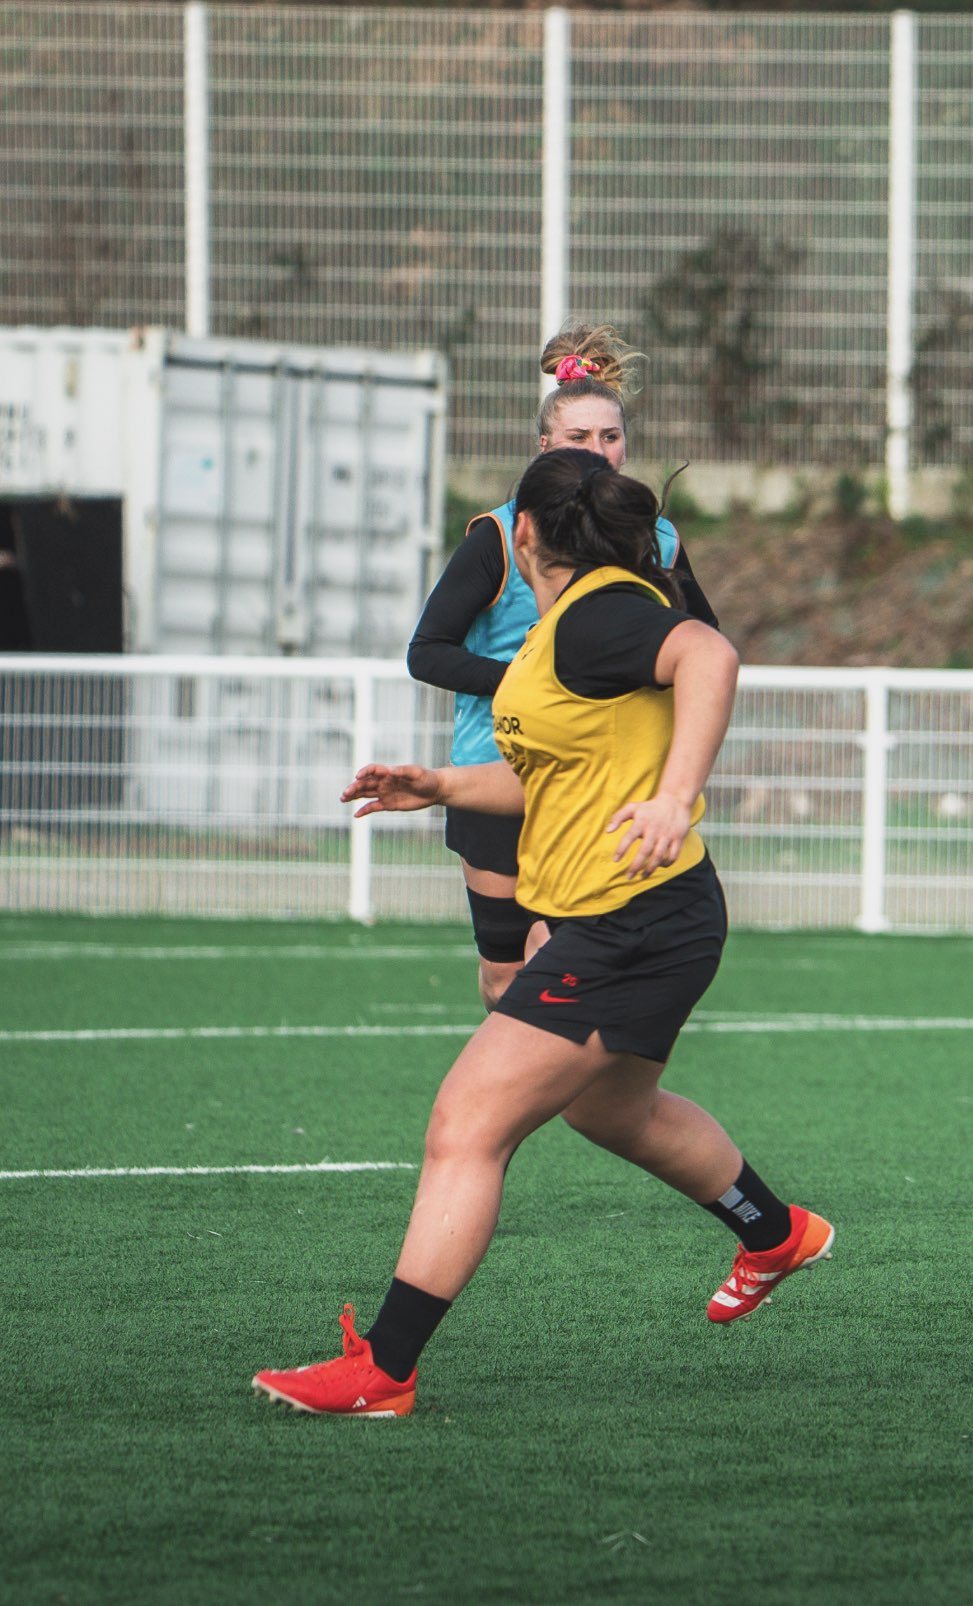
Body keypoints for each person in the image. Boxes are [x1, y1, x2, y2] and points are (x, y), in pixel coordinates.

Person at [253, 449, 827, 1417]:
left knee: (465, 1124)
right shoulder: (573, 625)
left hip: (627, 924)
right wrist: (436, 784)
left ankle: (384, 1369)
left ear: (522, 536)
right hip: (650, 918)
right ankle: (773, 1232)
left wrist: (676, 798)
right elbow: (544, 770)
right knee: (612, 1113)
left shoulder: (598, 611)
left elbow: (712, 655)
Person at [406, 326, 717, 1012]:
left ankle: (567, 1090)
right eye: (579, 438)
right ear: (545, 446)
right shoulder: (500, 534)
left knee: (566, 960)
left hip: (599, 780)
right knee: (504, 977)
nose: (599, 452)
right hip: (500, 770)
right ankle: (519, 1096)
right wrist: (530, 683)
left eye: (610, 437)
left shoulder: (654, 535)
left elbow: (704, 640)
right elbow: (426, 652)